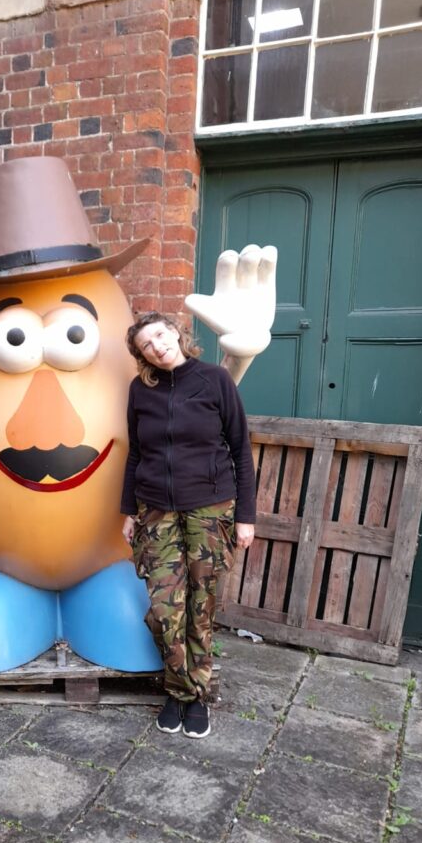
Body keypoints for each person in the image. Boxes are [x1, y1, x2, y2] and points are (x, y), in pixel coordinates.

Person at [121, 312, 256, 740]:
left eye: (160, 335)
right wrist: (129, 511)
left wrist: (246, 517)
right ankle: (182, 687)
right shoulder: (140, 391)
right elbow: (135, 454)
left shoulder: (215, 380)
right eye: (147, 344)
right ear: (141, 355)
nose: (157, 346)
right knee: (165, 609)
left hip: (210, 511)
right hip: (156, 511)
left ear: (176, 333)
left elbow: (240, 451)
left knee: (201, 606)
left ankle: (190, 698)